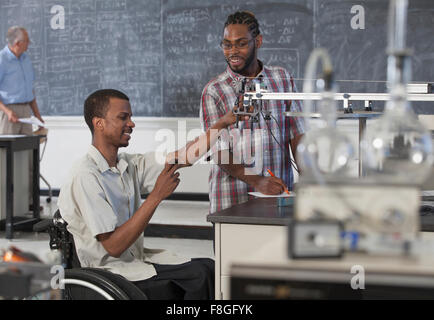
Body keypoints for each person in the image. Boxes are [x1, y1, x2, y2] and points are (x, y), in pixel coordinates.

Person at [57, 89, 244, 300]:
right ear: (99, 123)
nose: (132, 123)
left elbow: (184, 156)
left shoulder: (127, 164)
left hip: (133, 261)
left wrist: (223, 123)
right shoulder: (86, 176)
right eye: (123, 117)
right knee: (200, 277)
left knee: (210, 268)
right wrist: (156, 196)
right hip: (109, 272)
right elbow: (114, 246)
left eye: (130, 117)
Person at [200, 11, 305, 213]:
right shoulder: (214, 91)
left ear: (258, 41)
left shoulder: (282, 78)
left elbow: (297, 135)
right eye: (227, 44)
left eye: (241, 43)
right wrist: (258, 182)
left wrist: (309, 179)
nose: (233, 51)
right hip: (231, 202)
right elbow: (218, 151)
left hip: (279, 197)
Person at [0, 26, 44, 134]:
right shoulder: (0, 60)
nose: (29, 43)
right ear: (17, 43)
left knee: (27, 148)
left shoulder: (26, 60)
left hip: (26, 112)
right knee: (8, 149)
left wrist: (37, 115)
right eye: (26, 40)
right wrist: (7, 111)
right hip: (7, 113)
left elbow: (30, 90)